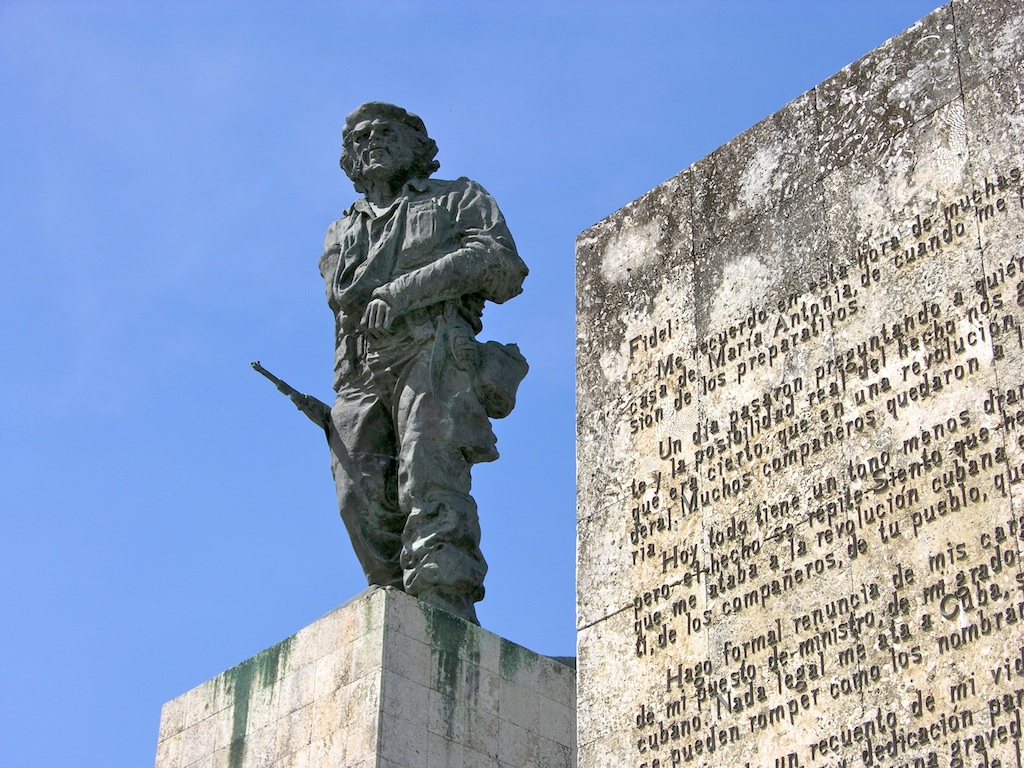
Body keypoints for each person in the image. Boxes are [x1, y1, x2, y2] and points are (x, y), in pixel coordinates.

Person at [318, 102, 528, 624]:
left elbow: (503, 266)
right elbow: (341, 304)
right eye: (361, 137)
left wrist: (407, 292)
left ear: (418, 146)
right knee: (357, 492)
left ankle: (442, 599)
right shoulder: (340, 234)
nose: (372, 141)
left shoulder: (457, 198)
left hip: (432, 351)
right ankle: (394, 599)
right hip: (365, 369)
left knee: (428, 473)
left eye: (387, 131)